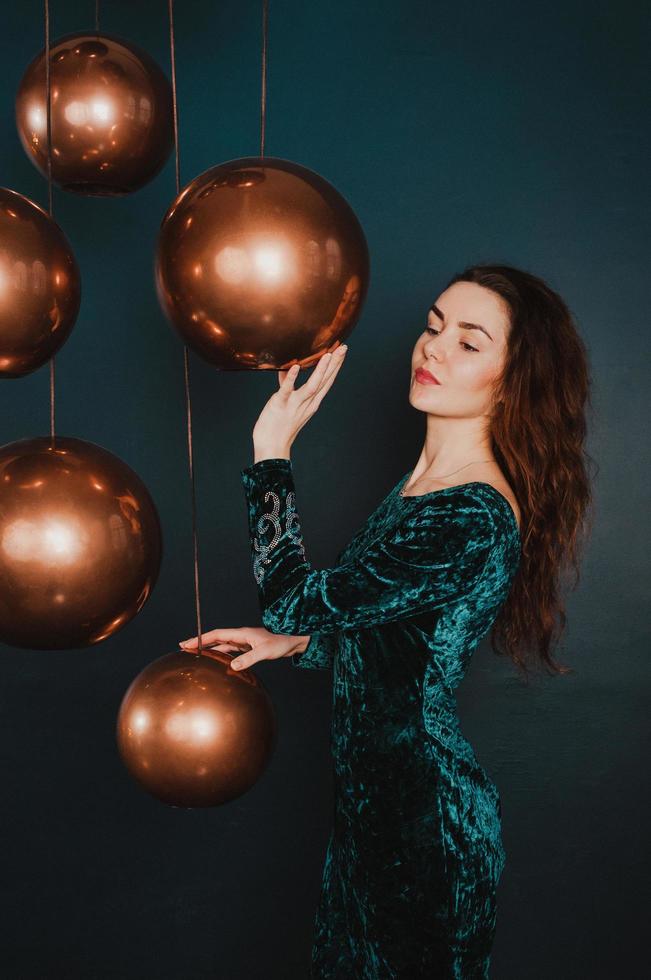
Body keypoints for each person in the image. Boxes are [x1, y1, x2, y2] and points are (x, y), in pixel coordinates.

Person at [179, 263, 594, 978]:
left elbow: (293, 594)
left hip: (426, 832)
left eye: (468, 342)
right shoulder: (420, 485)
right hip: (373, 826)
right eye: (433, 326)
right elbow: (397, 643)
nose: (432, 348)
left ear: (512, 379)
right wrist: (294, 644)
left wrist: (270, 453)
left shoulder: (468, 512)